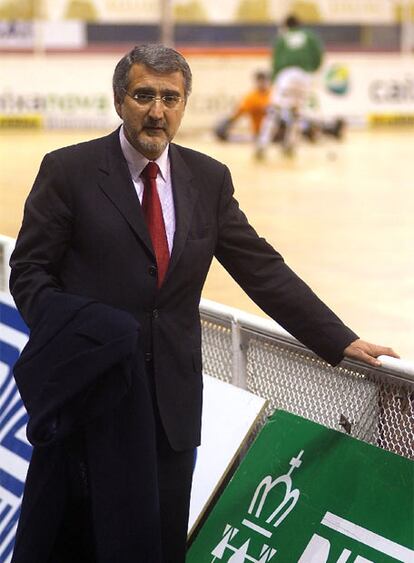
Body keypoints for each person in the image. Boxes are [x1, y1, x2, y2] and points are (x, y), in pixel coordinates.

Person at [9, 44, 398, 563]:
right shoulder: (69, 171)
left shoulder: (208, 180)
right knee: (77, 541)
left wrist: (338, 338)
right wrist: (82, 336)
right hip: (91, 399)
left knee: (160, 543)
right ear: (120, 100)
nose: (157, 110)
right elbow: (29, 273)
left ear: (185, 103)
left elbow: (261, 268)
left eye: (170, 98)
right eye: (143, 95)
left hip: (171, 408)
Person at [256, 13, 324, 158]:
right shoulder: (310, 37)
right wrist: (310, 69)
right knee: (297, 112)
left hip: (286, 76)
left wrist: (275, 80)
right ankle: (291, 145)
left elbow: (275, 61)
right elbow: (319, 57)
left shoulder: (282, 38)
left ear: (286, 26)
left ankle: (262, 144)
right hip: (304, 77)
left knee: (274, 111)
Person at [214, 70, 271, 141]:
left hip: (276, 132)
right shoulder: (251, 97)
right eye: (259, 80)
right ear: (256, 81)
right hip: (259, 134)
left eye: (264, 80)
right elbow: (237, 113)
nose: (262, 83)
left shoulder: (274, 94)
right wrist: (228, 122)